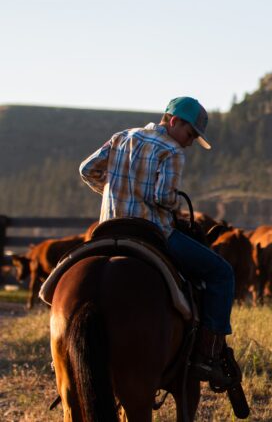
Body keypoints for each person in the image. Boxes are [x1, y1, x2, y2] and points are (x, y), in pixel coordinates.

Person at [79, 96, 235, 389]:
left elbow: (87, 170)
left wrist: (114, 191)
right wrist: (174, 200)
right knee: (221, 273)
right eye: (190, 134)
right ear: (174, 121)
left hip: (109, 229)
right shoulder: (172, 151)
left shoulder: (121, 137)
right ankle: (209, 354)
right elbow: (163, 198)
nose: (189, 142)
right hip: (152, 232)